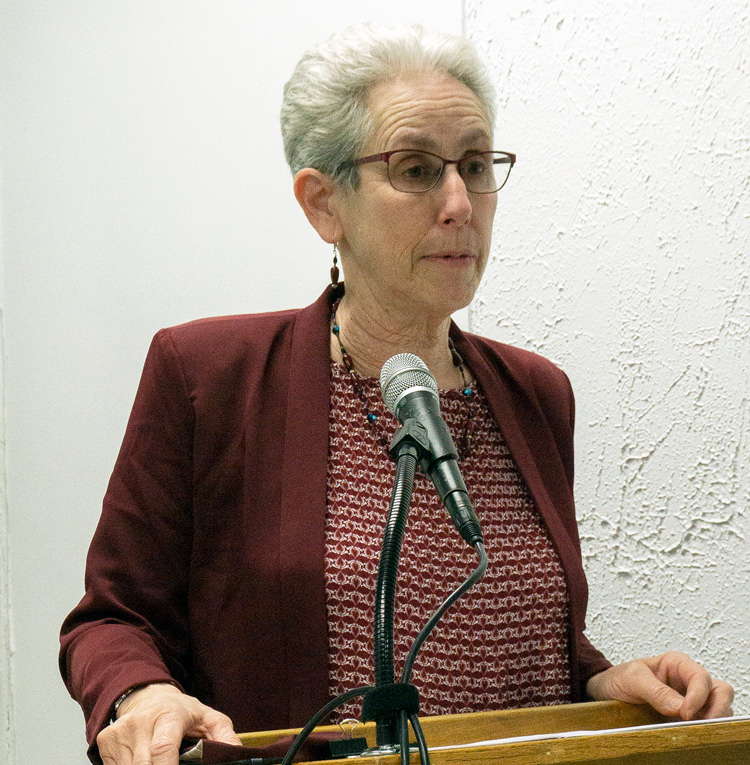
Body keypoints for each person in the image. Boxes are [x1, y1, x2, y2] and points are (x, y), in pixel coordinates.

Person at [59, 22, 734, 765]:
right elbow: (112, 619)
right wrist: (141, 692)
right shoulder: (206, 376)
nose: (459, 202)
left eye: (476, 165)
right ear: (324, 204)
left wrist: (599, 679)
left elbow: (497, 635)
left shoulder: (537, 394)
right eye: (416, 169)